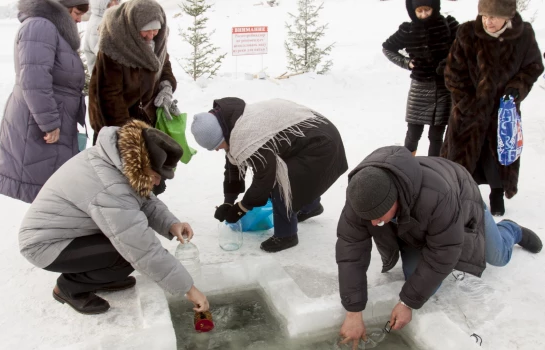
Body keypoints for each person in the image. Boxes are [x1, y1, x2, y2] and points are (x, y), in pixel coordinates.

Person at [336, 146, 542, 348]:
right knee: (419, 281)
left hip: (461, 199)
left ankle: (511, 230)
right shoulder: (361, 196)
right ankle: (420, 236)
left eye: (379, 217)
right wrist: (353, 312)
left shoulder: (437, 197)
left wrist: (407, 304)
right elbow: (350, 252)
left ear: (396, 200)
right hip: (416, 223)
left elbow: (445, 250)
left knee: (498, 256)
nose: (373, 224)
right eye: (369, 218)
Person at [18, 120, 209, 315]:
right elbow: (141, 249)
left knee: (126, 252)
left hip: (70, 233)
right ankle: (68, 288)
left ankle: (102, 275)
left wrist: (171, 224)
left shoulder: (120, 160)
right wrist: (189, 289)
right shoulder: (109, 185)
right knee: (126, 255)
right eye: (157, 174)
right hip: (45, 245)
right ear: (143, 163)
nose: (158, 181)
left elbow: (143, 199)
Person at [190, 98, 348, 252]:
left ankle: (286, 235)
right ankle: (310, 207)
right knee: (293, 176)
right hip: (308, 137)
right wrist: (228, 202)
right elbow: (234, 167)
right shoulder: (231, 123)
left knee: (281, 183)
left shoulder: (248, 135)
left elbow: (265, 180)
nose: (218, 150)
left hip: (320, 144)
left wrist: (241, 208)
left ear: (222, 135)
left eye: (217, 145)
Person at [441, 0, 544, 216]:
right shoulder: (467, 33)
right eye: (485, 16)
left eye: (494, 17)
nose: (488, 21)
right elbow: (453, 72)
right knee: (463, 159)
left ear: (507, 16)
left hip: (503, 111)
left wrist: (516, 89)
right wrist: (467, 101)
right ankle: (465, 197)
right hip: (470, 110)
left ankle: (497, 194)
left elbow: (533, 67)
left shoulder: (523, 35)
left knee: (498, 157)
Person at [0, 0, 89, 203]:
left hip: (52, 119)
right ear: (62, 7)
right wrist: (49, 123)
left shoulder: (50, 28)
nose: (79, 20)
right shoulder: (40, 26)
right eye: (77, 12)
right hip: (40, 124)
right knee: (50, 197)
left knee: (54, 196)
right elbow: (34, 79)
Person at [88, 0, 179, 145]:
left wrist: (166, 86)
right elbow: (110, 95)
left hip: (144, 116)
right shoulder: (114, 45)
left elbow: (164, 65)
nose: (151, 35)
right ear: (133, 26)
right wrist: (126, 135)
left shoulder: (158, 40)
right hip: (115, 121)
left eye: (155, 30)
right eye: (146, 30)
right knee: (118, 165)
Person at [382, 0, 459, 157]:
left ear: (434, 8)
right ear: (413, 11)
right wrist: (406, 62)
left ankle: (434, 168)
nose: (424, 15)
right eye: (420, 11)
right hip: (419, 89)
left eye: (427, 10)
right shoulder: (409, 30)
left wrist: (450, 64)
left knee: (436, 136)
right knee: (413, 134)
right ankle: (406, 167)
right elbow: (387, 48)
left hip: (443, 89)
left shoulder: (448, 26)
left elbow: (463, 47)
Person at [83, 0, 120, 74]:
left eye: (117, 1)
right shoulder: (97, 24)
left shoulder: (110, 19)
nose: (117, 4)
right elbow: (105, 55)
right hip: (105, 78)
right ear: (104, 4)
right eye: (113, 1)